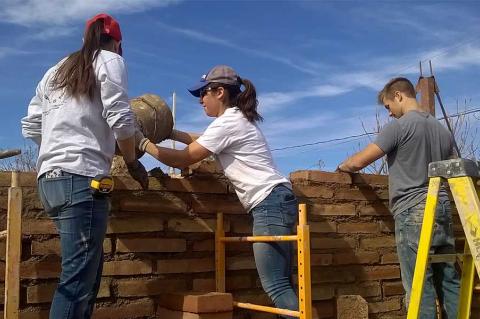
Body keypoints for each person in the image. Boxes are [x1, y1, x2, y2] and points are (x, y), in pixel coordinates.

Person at [137, 65, 299, 318]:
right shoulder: (233, 121)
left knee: (276, 286)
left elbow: (183, 159)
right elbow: (202, 139)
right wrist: (170, 133)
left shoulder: (229, 123)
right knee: (283, 283)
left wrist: (142, 143)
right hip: (276, 200)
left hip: (269, 204)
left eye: (204, 93)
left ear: (220, 92)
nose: (201, 100)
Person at [21, 13, 148, 319]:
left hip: (49, 183)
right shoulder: (109, 60)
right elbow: (120, 117)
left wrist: (57, 149)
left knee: (86, 277)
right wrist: (131, 160)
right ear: (117, 44)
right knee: (77, 283)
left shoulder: (56, 70)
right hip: (81, 181)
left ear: (84, 39)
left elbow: (32, 125)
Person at [337, 77, 460, 318]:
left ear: (399, 96)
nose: (390, 114)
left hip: (413, 210)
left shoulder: (400, 126)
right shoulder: (442, 130)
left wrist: (343, 167)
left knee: (419, 285)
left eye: (388, 106)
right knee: (448, 280)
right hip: (442, 209)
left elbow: (360, 161)